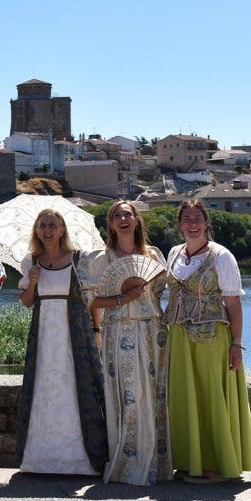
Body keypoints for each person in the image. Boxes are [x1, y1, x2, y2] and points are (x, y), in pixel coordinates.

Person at [164, 200, 251, 484]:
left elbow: (233, 304)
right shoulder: (173, 254)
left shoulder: (222, 256)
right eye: (186, 218)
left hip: (212, 337)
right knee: (184, 398)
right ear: (180, 224)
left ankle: (218, 466)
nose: (192, 223)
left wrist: (237, 343)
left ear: (207, 223)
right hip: (178, 335)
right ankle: (190, 461)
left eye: (198, 218)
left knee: (210, 398)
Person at [13, 208, 107, 476]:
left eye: (52, 224)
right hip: (43, 337)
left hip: (75, 336)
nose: (47, 230)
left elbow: (92, 298)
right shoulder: (30, 262)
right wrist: (31, 283)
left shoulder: (80, 260)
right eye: (42, 225)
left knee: (76, 388)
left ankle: (80, 459)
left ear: (62, 229)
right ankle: (38, 459)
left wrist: (97, 331)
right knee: (43, 390)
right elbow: (27, 302)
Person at [85, 201, 170, 485]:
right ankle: (128, 463)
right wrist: (123, 299)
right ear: (110, 224)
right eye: (117, 215)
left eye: (127, 214)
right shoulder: (101, 258)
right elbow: (92, 301)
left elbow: (161, 295)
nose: (123, 219)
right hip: (117, 332)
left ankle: (155, 465)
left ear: (136, 220)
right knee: (127, 397)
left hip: (152, 331)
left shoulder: (155, 255)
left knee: (154, 396)